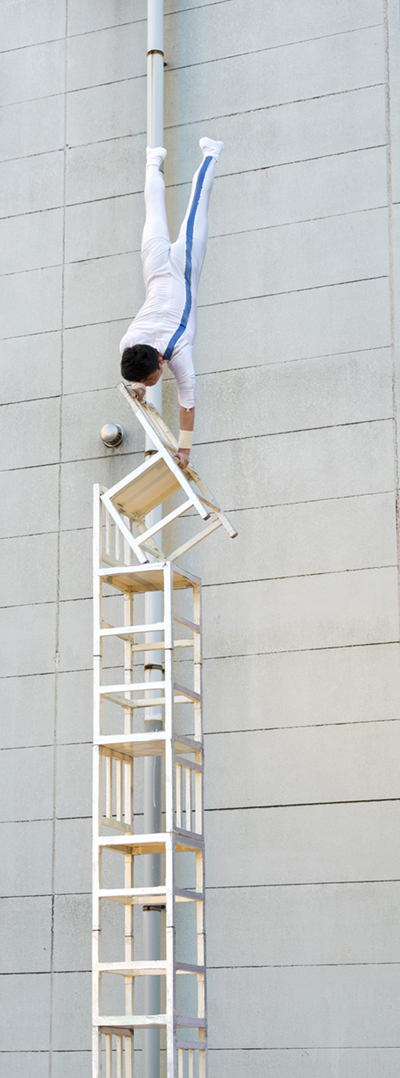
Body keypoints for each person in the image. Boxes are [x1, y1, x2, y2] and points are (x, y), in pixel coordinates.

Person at [120, 137, 224, 469]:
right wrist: (136, 385)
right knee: (154, 212)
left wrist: (186, 452)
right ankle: (153, 159)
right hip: (155, 269)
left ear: (159, 366)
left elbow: (188, 405)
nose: (151, 385)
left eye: (150, 381)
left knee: (197, 205)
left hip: (181, 267)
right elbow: (144, 370)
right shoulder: (129, 345)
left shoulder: (178, 354)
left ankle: (212, 152)